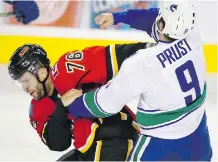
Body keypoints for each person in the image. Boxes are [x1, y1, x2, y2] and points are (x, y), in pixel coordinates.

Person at [60, 1, 213, 161]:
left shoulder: (143, 63)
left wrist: (75, 104)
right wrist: (115, 17)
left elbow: (106, 103)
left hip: (162, 146)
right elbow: (155, 20)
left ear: (161, 24)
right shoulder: (194, 40)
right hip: (199, 141)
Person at [7, 41, 155, 160]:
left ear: (42, 72)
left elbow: (114, 56)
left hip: (116, 137)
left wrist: (152, 49)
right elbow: (59, 143)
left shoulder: (66, 68)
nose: (24, 87)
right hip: (89, 148)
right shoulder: (38, 108)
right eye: (20, 84)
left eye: (26, 81)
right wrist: (61, 107)